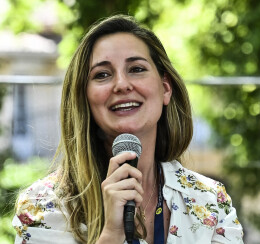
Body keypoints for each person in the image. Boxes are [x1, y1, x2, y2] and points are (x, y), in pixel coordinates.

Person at [12, 15, 244, 244]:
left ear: (165, 88)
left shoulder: (209, 201)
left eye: (136, 69)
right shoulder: (43, 207)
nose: (122, 84)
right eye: (102, 74)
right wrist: (112, 234)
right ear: (85, 99)